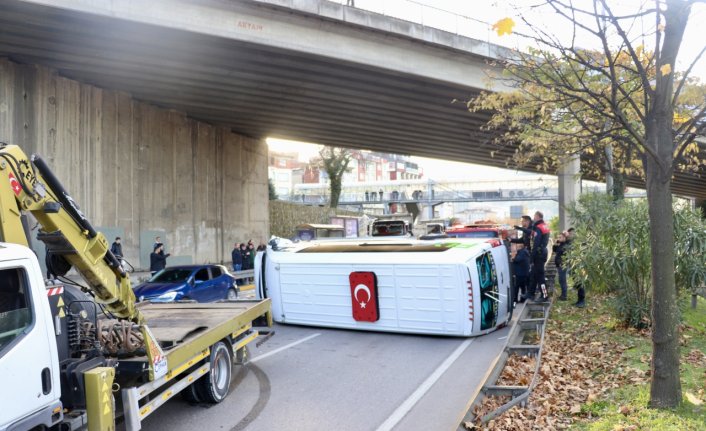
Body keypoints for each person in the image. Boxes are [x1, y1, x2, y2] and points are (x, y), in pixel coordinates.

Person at [526, 211, 550, 302]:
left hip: (538, 255)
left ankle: (544, 295)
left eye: (534, 216)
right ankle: (530, 294)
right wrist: (522, 229)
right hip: (542, 252)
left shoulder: (538, 227)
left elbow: (536, 243)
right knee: (534, 274)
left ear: (538, 216)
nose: (533, 218)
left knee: (540, 276)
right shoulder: (544, 225)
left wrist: (531, 257)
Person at [553, 232, 568, 300]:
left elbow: (564, 255)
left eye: (560, 237)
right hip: (559, 265)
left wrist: (560, 263)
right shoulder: (560, 244)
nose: (558, 239)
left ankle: (564, 296)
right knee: (561, 280)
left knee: (562, 280)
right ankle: (563, 295)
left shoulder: (565, 245)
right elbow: (555, 250)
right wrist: (555, 244)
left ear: (564, 238)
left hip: (562, 265)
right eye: (558, 237)